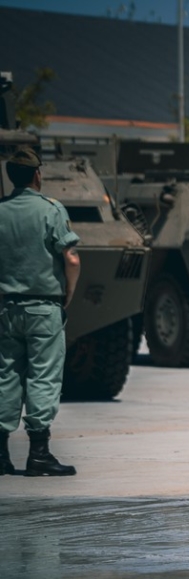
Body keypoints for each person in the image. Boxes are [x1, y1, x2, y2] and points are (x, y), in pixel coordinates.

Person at [0, 147, 80, 477]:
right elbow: (71, 258)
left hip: (6, 308)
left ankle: (1, 455)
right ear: (37, 174)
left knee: (5, 375)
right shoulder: (51, 209)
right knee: (43, 376)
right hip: (44, 307)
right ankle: (39, 454)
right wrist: (68, 293)